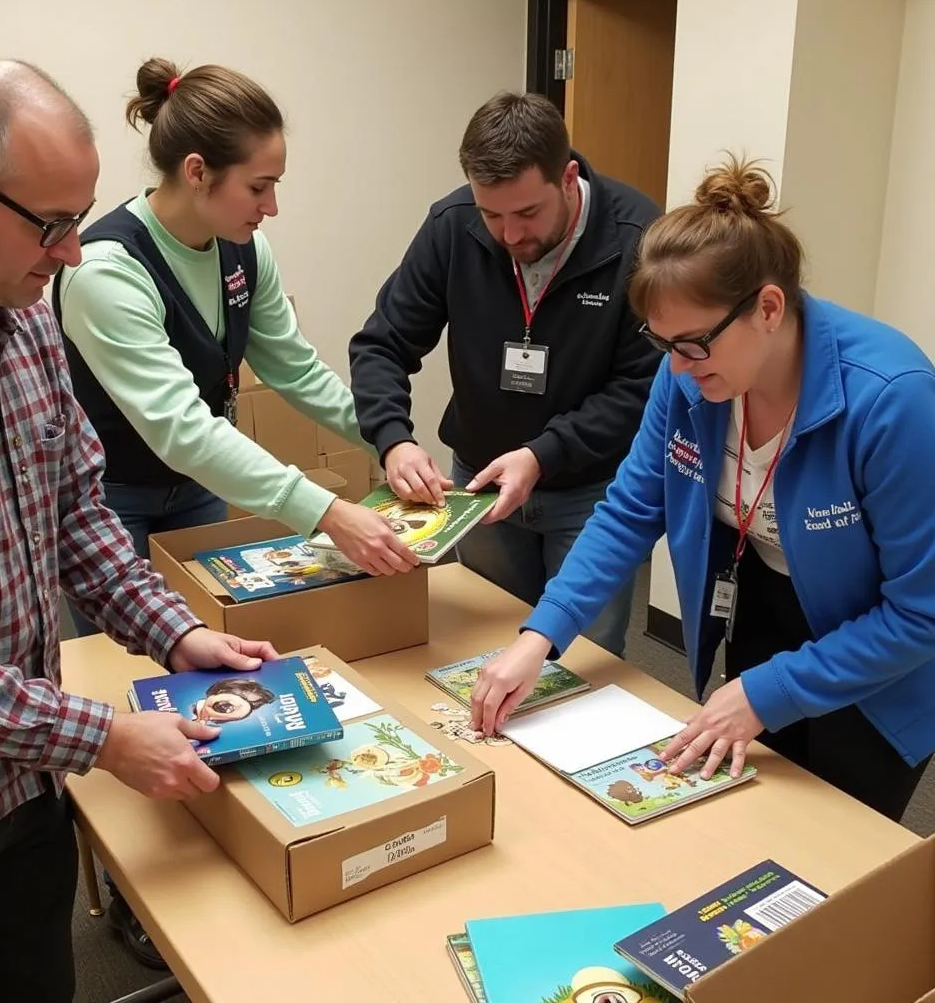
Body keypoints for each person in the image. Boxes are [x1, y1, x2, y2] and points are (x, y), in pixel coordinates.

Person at [0, 59, 281, 1003]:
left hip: (30, 777)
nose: (74, 253)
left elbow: (81, 515)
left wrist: (178, 632)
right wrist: (108, 738)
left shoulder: (28, 320)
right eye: (53, 225)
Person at [471, 156, 935, 822]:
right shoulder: (687, 372)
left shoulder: (894, 400)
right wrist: (538, 636)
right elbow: (631, 509)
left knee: (835, 848)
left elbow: (921, 613)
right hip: (766, 606)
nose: (678, 371)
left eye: (692, 346)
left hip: (880, 656)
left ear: (768, 308)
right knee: (750, 819)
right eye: (662, 346)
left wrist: (768, 692)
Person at [55, 57, 417, 640]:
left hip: (197, 489)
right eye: (258, 186)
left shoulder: (245, 248)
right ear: (198, 171)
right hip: (111, 502)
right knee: (125, 665)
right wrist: (325, 513)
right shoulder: (106, 272)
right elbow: (183, 428)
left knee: (210, 650)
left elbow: (295, 369)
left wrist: (390, 437)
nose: (270, 206)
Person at [349, 91, 661, 658]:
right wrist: (393, 441)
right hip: (480, 487)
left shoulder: (637, 237)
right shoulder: (453, 224)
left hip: (593, 493)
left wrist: (543, 452)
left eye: (527, 214)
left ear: (568, 178)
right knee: (490, 649)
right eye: (492, 214)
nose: (509, 235)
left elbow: (643, 389)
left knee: (581, 661)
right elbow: (382, 343)